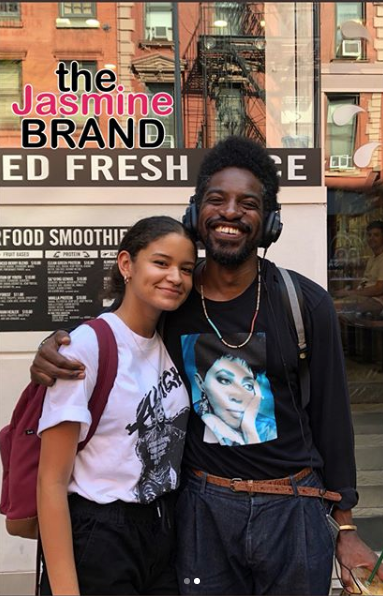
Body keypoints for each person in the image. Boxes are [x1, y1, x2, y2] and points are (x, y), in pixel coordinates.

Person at [31, 137, 383, 595]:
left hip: (292, 509)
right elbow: (120, 327)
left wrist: (347, 526)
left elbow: (334, 421)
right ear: (196, 214)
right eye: (217, 199)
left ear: (269, 221)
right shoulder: (173, 302)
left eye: (248, 203)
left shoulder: (304, 303)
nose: (231, 212)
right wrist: (56, 344)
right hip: (202, 510)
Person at [36, 216, 196, 595]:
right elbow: (51, 482)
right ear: (126, 264)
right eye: (161, 263)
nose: (175, 277)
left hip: (161, 529)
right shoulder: (86, 346)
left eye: (186, 269)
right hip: (102, 533)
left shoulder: (167, 342)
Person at [186, 332, 276, 446]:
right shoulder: (188, 417)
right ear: (200, 382)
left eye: (248, 385)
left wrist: (249, 429)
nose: (238, 396)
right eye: (224, 380)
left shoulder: (268, 429)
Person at [335, 220, 383, 316]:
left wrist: (350, 293)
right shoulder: (372, 258)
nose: (371, 238)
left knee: (332, 308)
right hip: (364, 298)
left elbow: (379, 289)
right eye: (369, 235)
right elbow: (365, 283)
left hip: (375, 301)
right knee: (333, 302)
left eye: (376, 235)